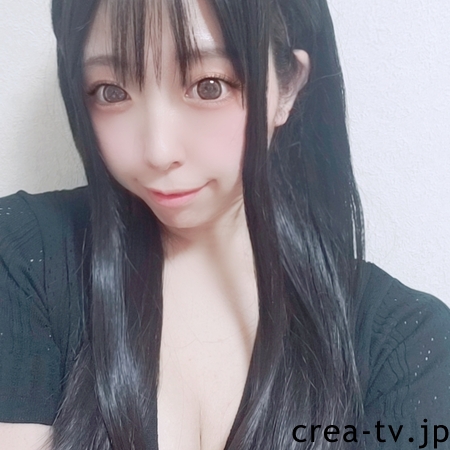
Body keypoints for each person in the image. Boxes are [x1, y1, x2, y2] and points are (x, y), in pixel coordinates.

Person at [0, 0, 449, 449]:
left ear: (287, 87)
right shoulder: (24, 259)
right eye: (111, 92)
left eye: (209, 86)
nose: (157, 151)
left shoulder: (406, 345)